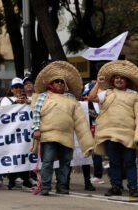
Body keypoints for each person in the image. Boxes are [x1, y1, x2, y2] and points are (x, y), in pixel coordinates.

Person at [31, 61, 94, 196]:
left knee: (65, 161)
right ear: (51, 84)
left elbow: (80, 120)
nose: (60, 84)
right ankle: (45, 186)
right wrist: (36, 129)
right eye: (57, 81)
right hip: (49, 134)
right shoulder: (43, 96)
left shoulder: (71, 98)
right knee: (48, 161)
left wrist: (88, 143)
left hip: (66, 135)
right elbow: (36, 113)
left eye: (62, 82)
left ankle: (62, 185)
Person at [88, 60, 138, 197]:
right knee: (114, 162)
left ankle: (133, 187)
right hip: (110, 134)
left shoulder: (134, 95)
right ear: (112, 81)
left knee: (129, 162)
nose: (119, 80)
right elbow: (91, 97)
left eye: (122, 78)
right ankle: (116, 187)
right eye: (116, 78)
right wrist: (98, 83)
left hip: (128, 134)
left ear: (127, 81)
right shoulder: (107, 93)